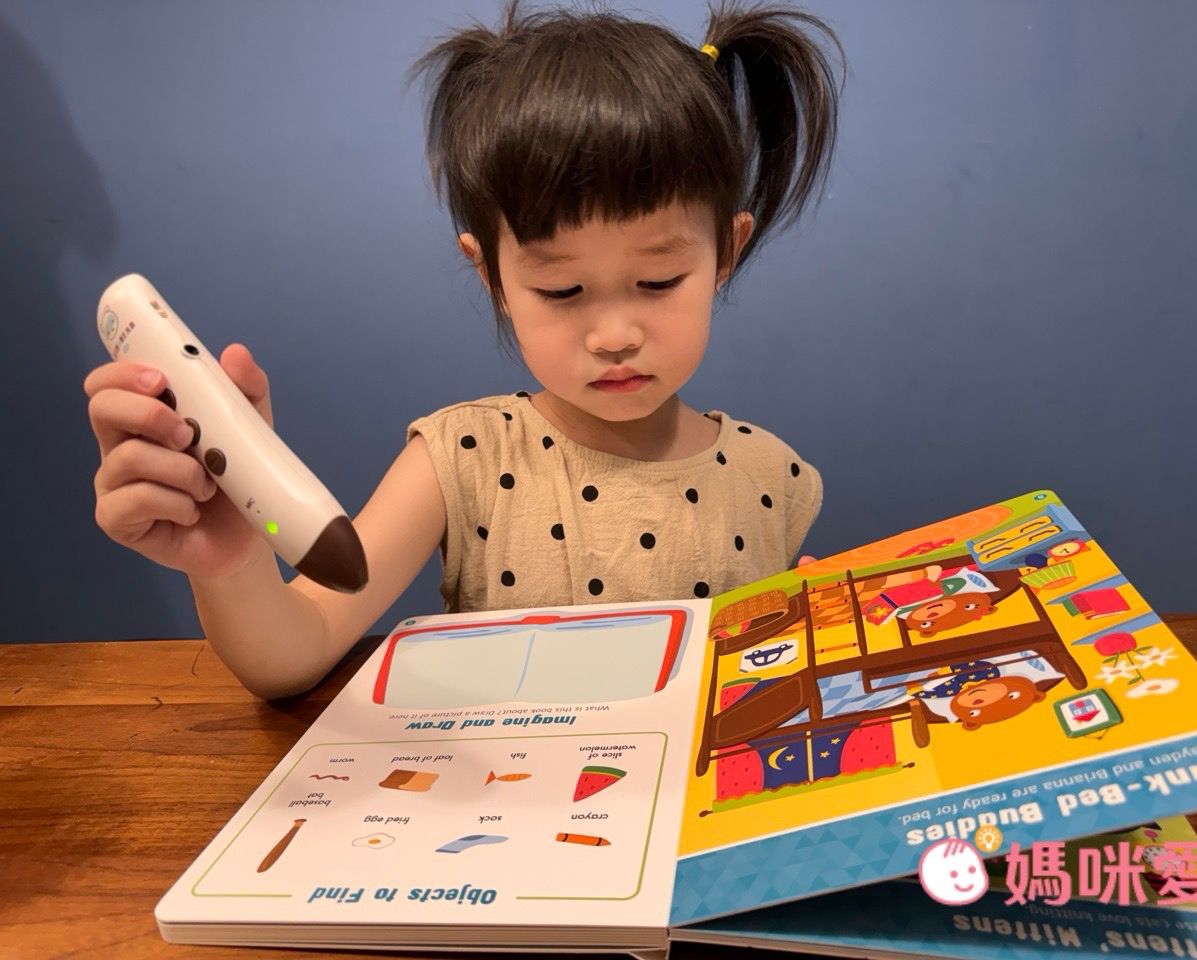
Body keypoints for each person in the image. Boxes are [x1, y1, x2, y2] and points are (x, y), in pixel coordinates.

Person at [83, 0, 845, 699]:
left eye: (657, 281)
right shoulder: (462, 459)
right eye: (562, 290)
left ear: (726, 253)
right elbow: (292, 651)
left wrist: (810, 636)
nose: (614, 334)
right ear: (493, 277)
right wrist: (232, 563)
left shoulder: (770, 477)